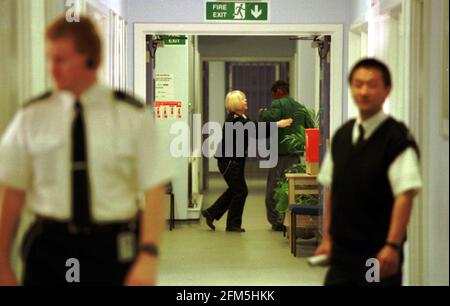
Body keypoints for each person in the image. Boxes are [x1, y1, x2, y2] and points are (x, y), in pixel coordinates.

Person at [0, 16, 172, 286]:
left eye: (62, 60)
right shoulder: (32, 117)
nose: (53, 69)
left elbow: (154, 189)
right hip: (48, 248)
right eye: (50, 59)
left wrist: (148, 254)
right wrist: (2, 264)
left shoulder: (130, 116)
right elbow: (12, 192)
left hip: (112, 249)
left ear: (91, 59)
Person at [315, 58, 422, 286]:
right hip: (342, 252)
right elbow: (332, 188)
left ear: (387, 90)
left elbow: (406, 193)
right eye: (358, 84)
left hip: (376, 253)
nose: (364, 91)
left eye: (372, 84)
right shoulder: (343, 136)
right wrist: (328, 237)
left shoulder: (396, 138)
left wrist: (392, 245)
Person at [201, 90, 292, 232]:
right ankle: (232, 224)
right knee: (241, 191)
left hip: (234, 161)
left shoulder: (241, 117)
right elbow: (255, 129)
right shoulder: (235, 120)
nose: (246, 101)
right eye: (243, 99)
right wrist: (277, 125)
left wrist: (275, 126)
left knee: (235, 190)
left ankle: (211, 213)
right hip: (229, 162)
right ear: (235, 103)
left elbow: (255, 131)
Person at [259, 80, 315, 231]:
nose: (273, 98)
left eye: (273, 95)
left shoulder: (278, 104)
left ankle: (276, 221)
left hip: (279, 154)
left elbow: (270, 118)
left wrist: (262, 113)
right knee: (290, 188)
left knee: (274, 188)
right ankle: (288, 220)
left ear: (278, 92)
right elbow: (310, 128)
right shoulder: (301, 107)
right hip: (295, 155)